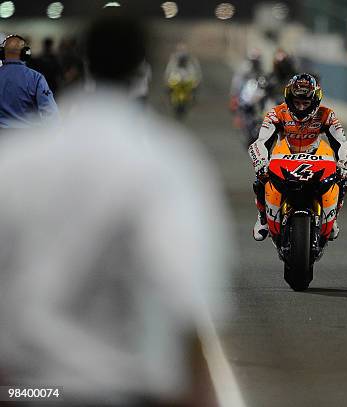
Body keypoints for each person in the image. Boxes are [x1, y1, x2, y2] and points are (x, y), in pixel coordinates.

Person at [0, 15, 230, 406]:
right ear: (143, 66)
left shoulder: (16, 162)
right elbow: (184, 294)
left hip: (29, 388)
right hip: (123, 389)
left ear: (81, 63)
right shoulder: (165, 160)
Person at [248, 73, 347, 241]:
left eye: (306, 103)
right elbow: (260, 142)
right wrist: (260, 161)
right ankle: (263, 217)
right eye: (297, 102)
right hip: (285, 155)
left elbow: (343, 143)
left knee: (344, 178)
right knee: (260, 178)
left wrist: (345, 162)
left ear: (315, 101)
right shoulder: (276, 113)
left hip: (316, 157)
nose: (301, 108)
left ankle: (332, 219)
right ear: (289, 99)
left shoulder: (327, 114)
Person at [0, 34, 59, 129]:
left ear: (1, 53)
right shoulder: (36, 78)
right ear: (25, 53)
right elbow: (49, 111)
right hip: (28, 138)